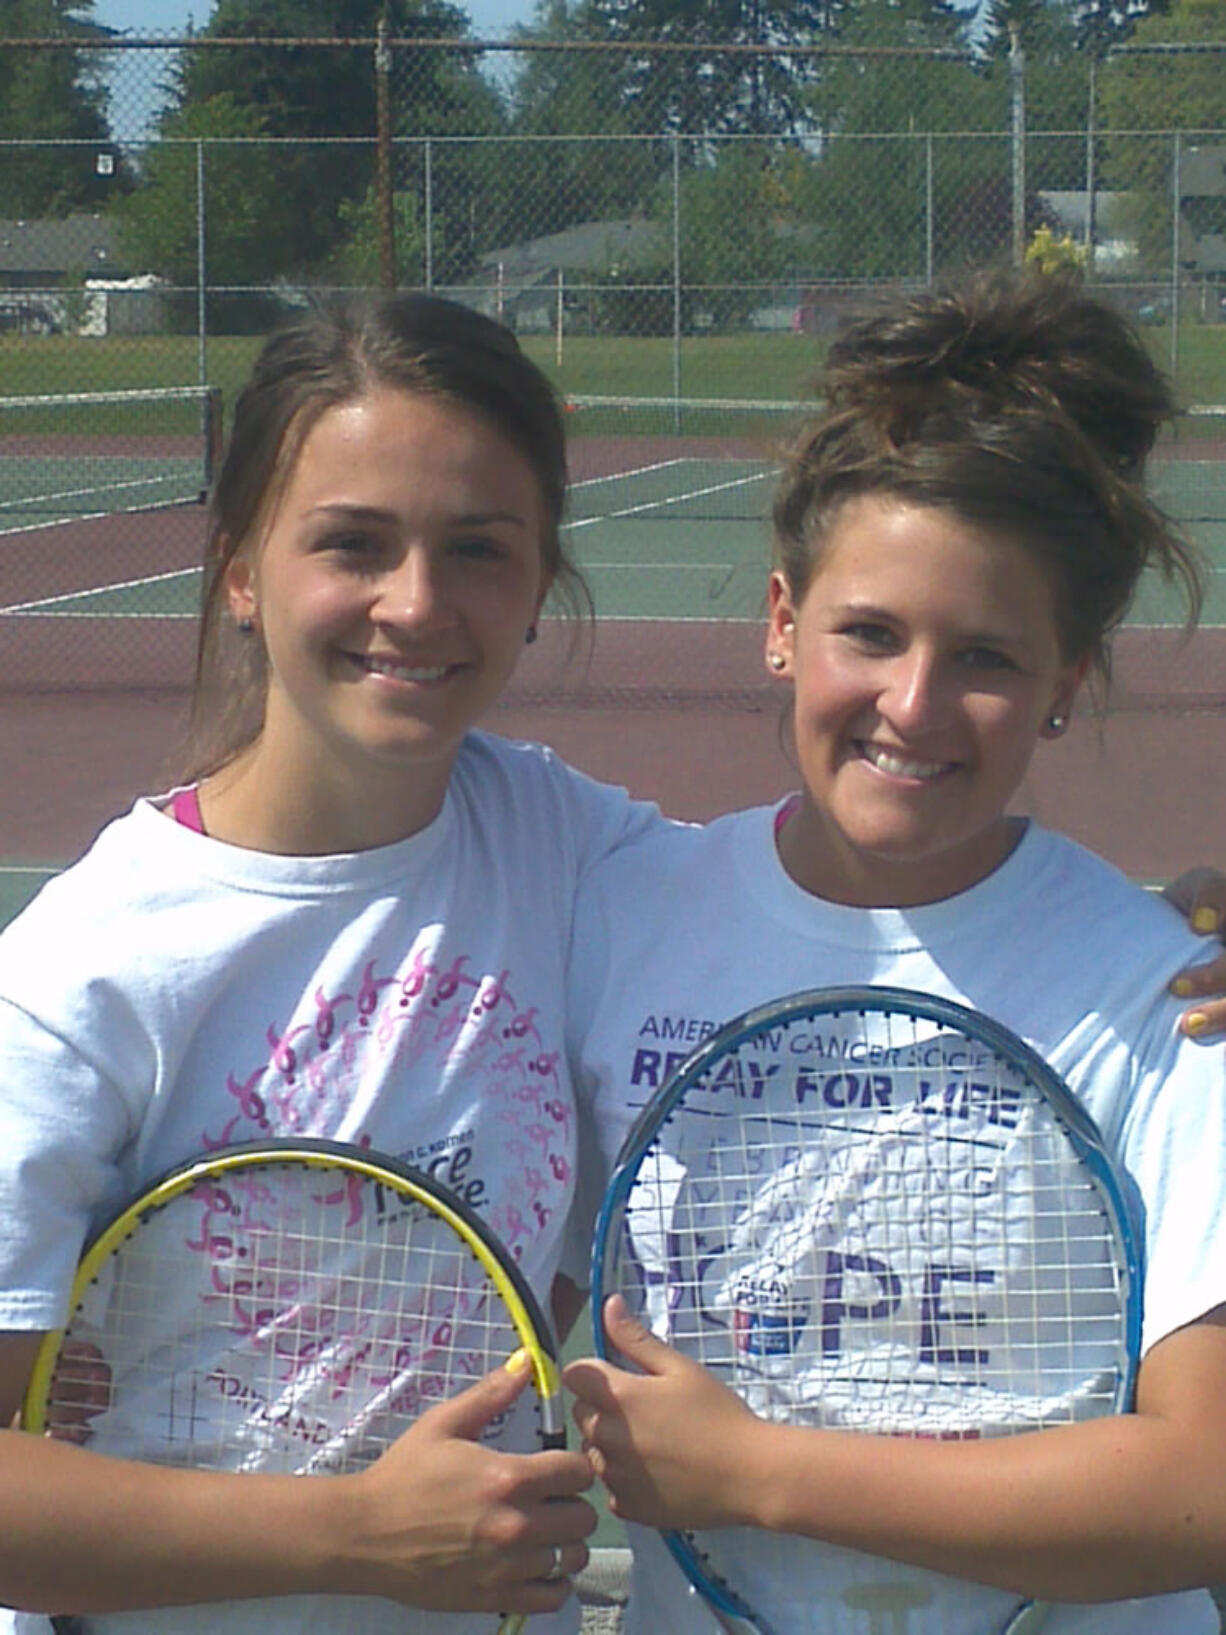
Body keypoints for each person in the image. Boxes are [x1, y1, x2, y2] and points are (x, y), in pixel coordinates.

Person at [562, 266, 1226, 1633]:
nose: (913, 706)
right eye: (867, 633)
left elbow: (1198, 1492)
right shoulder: (621, 916)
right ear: (779, 623)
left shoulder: (1161, 992)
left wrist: (753, 1472)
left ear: (1066, 683)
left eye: (984, 655)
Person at [0, 292, 669, 1633]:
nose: (415, 605)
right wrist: (356, 1535)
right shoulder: (85, 973)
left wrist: (1164, 942)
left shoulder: (577, 855)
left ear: (539, 580)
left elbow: (858, 907)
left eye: (477, 548)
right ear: (240, 570)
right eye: (352, 544)